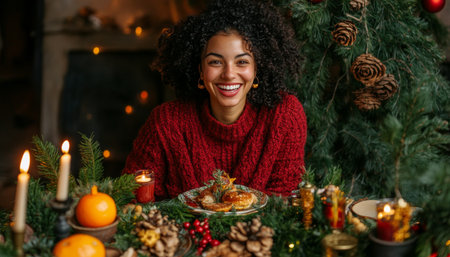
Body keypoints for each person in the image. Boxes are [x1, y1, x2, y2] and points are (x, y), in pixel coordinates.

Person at [123, 0, 307, 200]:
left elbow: (285, 204)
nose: (229, 74)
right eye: (215, 62)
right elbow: (131, 196)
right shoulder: (166, 122)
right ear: (200, 70)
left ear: (257, 68)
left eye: (242, 62)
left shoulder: (285, 115)